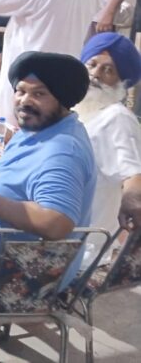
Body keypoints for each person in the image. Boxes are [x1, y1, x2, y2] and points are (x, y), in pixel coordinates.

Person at [0, 52, 95, 340]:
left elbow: (56, 222)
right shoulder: (42, 127)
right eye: (20, 91)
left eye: (39, 94)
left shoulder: (61, 152)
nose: (25, 101)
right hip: (2, 260)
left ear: (63, 98)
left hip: (12, 277)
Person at [73, 33, 141, 266]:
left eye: (108, 70)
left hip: (83, 245)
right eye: (91, 64)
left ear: (121, 83)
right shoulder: (81, 109)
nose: (95, 75)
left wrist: (132, 198)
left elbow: (134, 174)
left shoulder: (117, 118)